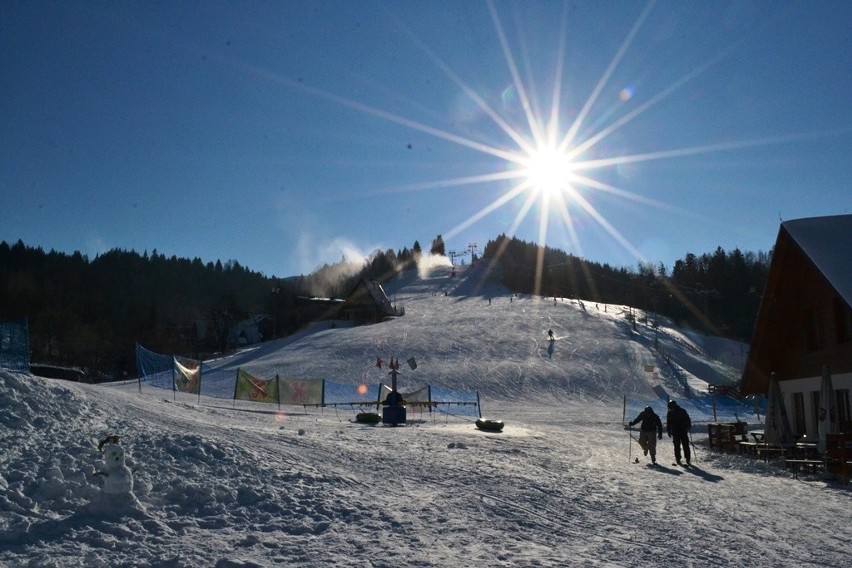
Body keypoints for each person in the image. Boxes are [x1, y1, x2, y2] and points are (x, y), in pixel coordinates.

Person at [667, 400, 692, 466]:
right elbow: (669, 422)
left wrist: (669, 430)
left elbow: (687, 419)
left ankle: (682, 458)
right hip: (680, 431)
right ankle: (684, 458)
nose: (670, 408)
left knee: (679, 445)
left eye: (670, 407)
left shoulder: (679, 411)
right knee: (683, 445)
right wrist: (688, 426)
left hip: (679, 431)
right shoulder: (681, 411)